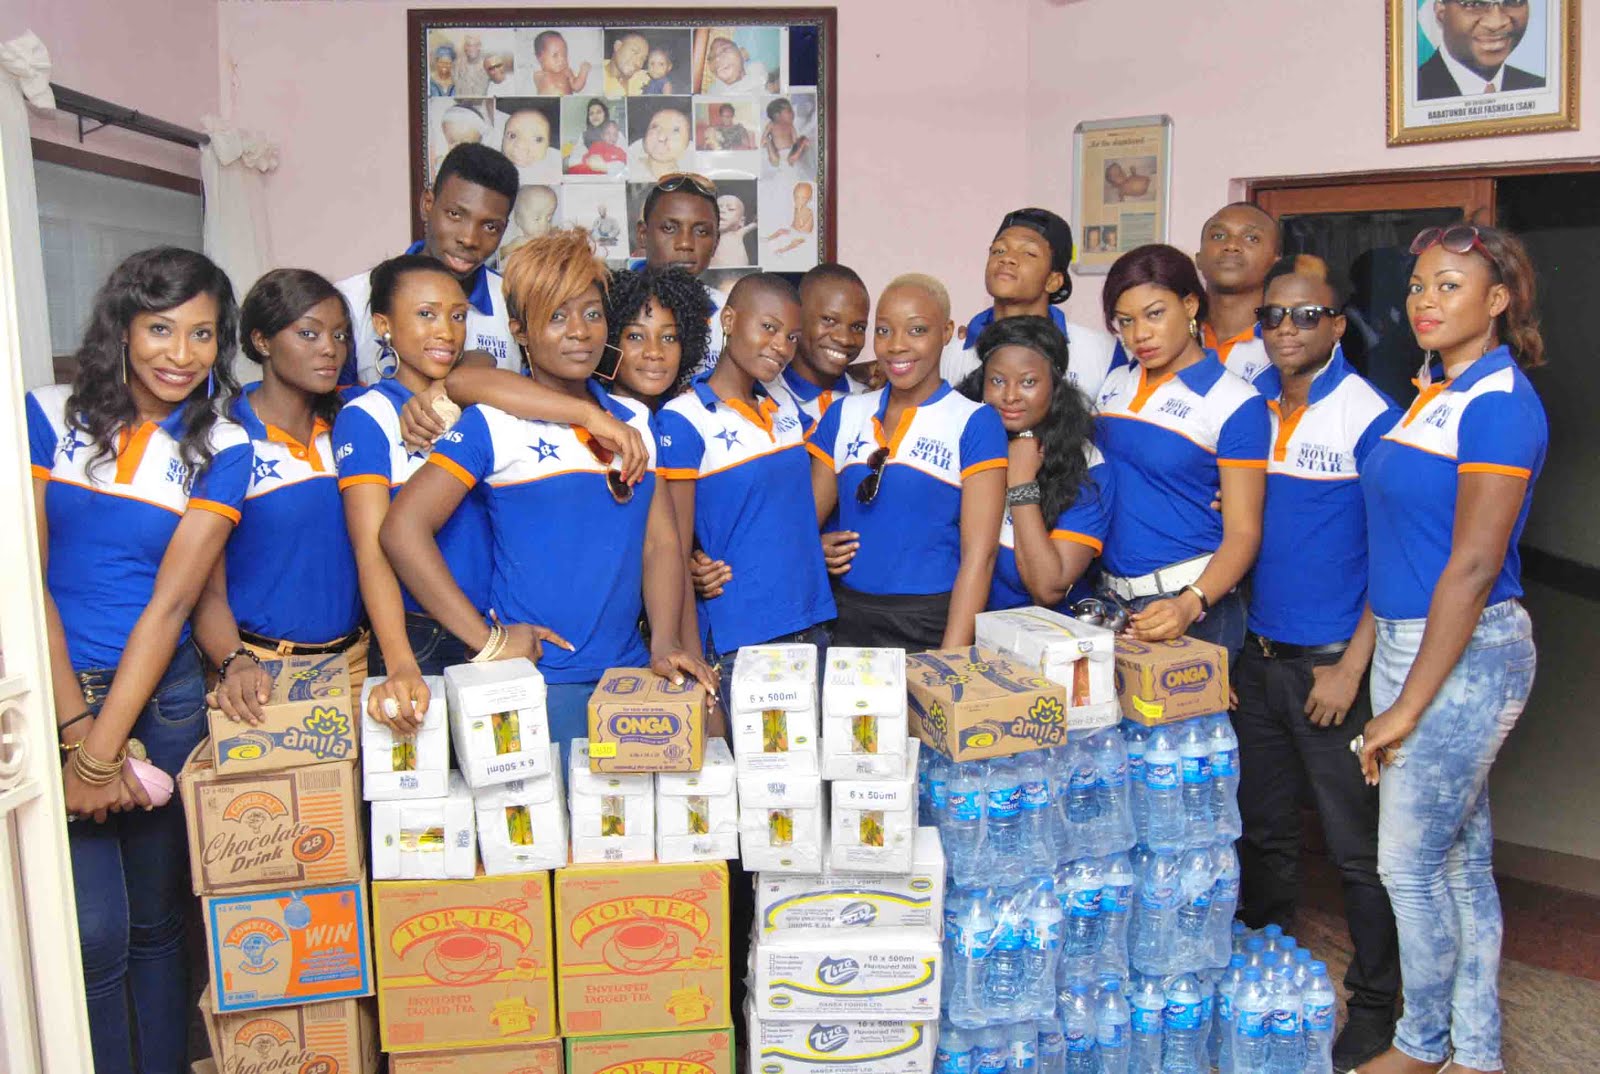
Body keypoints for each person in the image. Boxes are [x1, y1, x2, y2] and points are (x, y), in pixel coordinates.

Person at [27, 247, 252, 1074]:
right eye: (160, 328)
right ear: (122, 326)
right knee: (91, 935)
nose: (180, 354)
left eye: (202, 334)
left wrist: (101, 749)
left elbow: (171, 606)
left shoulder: (223, 444)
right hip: (55, 693)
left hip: (162, 700)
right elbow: (27, 584)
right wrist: (77, 734)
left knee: (160, 926)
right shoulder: (43, 414)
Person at [380, 229, 715, 748]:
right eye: (557, 317)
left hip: (628, 675)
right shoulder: (493, 422)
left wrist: (666, 641)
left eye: (592, 313)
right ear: (519, 330)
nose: (579, 331)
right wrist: (487, 641)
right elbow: (402, 530)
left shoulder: (633, 420)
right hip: (535, 682)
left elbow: (660, 542)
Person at [1355, 225, 1547, 1074]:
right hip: (1414, 640)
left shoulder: (1499, 403)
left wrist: (1404, 706)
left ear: (1497, 301)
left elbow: (1471, 567)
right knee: (1459, 862)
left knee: (1407, 866)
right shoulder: (1438, 391)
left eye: (1450, 287)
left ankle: (1420, 1044)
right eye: (1418, 286)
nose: (1425, 302)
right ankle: (1475, 1053)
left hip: (1466, 652)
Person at [1232, 259, 1402, 1072]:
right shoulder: (1251, 408)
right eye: (1273, 316)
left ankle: (1376, 1006)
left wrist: (1350, 669)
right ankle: (1261, 977)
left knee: (1355, 849)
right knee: (1262, 831)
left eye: (1307, 315)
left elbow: (1395, 556)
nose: (1286, 329)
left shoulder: (1369, 415)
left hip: (1331, 668)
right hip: (1257, 660)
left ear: (1338, 325)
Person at [201, 271, 370, 726]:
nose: (330, 349)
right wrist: (232, 661)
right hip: (260, 672)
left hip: (358, 662)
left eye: (340, 335)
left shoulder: (355, 422)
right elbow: (200, 584)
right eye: (309, 333)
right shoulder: (223, 435)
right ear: (262, 340)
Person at [332, 254, 491, 734]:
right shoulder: (369, 415)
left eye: (457, 315)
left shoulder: (477, 401)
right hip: (421, 635)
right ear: (384, 326)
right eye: (426, 314)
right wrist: (400, 660)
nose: (446, 331)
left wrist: (447, 387)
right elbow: (371, 548)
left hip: (491, 622)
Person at [807, 274, 1007, 651]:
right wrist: (813, 546)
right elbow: (801, 523)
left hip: (930, 623)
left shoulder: (974, 422)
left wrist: (950, 657)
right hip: (847, 619)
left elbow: (980, 557)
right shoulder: (844, 414)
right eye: (884, 330)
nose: (897, 345)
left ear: (946, 332)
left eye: (917, 330)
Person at [658, 273, 834, 698]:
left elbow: (794, 498)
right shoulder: (684, 419)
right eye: (768, 327)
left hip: (811, 622)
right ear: (730, 320)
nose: (781, 346)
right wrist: (694, 662)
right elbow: (674, 550)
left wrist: (810, 539)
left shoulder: (784, 405)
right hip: (740, 637)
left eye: (792, 337)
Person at [1095, 244, 1269, 663]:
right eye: (1125, 321)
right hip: (1110, 600)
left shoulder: (1234, 401)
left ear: (1190, 305)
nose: (1140, 334)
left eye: (1155, 314)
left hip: (1188, 604)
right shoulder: (1116, 382)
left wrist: (1191, 603)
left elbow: (1244, 533)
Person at [957, 316, 1112, 611]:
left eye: (1028, 382)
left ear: (1055, 386)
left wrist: (1022, 483)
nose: (1010, 396)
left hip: (1039, 631)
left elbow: (1048, 589)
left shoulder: (1087, 465)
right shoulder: (961, 437)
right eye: (997, 381)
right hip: (952, 623)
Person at [338, 143, 520, 384]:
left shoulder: (516, 301)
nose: (469, 239)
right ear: (427, 204)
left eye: (490, 227)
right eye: (455, 214)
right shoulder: (353, 299)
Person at [941, 207, 1118, 404]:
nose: (1007, 258)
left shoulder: (1101, 351)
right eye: (998, 250)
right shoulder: (951, 352)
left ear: (1053, 281)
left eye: (1029, 253)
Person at [632, 173, 727, 376]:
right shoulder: (609, 305)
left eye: (701, 232)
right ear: (643, 235)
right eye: (669, 228)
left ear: (716, 243)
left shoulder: (729, 315)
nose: (685, 243)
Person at [764, 262, 872, 423]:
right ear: (797, 318)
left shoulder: (869, 401)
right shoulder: (763, 397)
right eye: (829, 320)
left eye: (858, 327)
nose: (845, 339)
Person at [1194, 201, 1279, 383]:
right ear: (1199, 259)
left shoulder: (1287, 342)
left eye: (1251, 238)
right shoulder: (1173, 336)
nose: (1231, 245)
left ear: (1274, 264)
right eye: (1218, 236)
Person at [1418, 0, 1543, 100]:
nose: (1496, 23)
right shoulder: (1413, 93)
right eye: (1474, 4)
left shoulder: (1540, 89)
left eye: (1513, 1)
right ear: (1441, 12)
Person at [629, 104, 694, 181]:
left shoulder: (694, 173)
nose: (661, 137)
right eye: (655, 127)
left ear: (687, 144)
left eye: (675, 130)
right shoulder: (630, 169)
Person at [501, 107, 560, 184]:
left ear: (548, 145)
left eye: (537, 139)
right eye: (512, 136)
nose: (520, 145)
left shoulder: (554, 167)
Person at [500, 184, 558, 260]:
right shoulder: (517, 242)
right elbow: (498, 255)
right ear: (518, 219)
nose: (544, 225)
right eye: (537, 219)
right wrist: (508, 249)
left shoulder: (548, 237)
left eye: (549, 219)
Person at [704, 36, 771, 95]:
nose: (716, 59)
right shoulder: (713, 93)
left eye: (724, 50)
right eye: (711, 58)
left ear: (742, 53)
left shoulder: (759, 71)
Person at [532, 29, 591, 95]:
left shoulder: (567, 72)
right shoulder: (539, 75)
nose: (562, 59)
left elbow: (576, 87)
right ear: (540, 58)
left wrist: (583, 71)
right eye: (555, 55)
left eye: (564, 55)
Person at [762, 98, 812, 175]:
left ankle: (792, 158)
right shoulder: (771, 125)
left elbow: (795, 140)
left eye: (792, 111)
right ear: (777, 115)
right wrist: (766, 141)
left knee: (802, 139)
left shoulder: (790, 126)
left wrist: (800, 142)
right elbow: (764, 137)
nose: (793, 113)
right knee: (769, 143)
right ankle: (777, 160)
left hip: (790, 151)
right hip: (777, 152)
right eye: (789, 111)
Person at [764, 183, 815, 256]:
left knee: (795, 243)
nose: (799, 200)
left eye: (803, 198)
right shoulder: (796, 208)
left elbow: (800, 224)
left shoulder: (808, 211)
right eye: (797, 197)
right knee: (780, 230)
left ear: (810, 198)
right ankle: (768, 239)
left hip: (804, 235)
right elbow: (794, 223)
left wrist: (799, 211)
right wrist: (789, 230)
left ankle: (781, 251)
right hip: (795, 231)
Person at [708, 194, 757, 269]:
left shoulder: (737, 235)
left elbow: (756, 223)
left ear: (741, 221)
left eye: (730, 209)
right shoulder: (709, 237)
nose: (722, 211)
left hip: (738, 272)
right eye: (717, 209)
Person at [604, 32, 650, 96]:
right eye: (635, 52)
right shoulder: (593, 76)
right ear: (618, 46)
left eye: (643, 59)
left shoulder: (645, 78)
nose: (638, 63)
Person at [454, 33, 489, 98]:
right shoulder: (457, 65)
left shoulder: (487, 64)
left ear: (479, 47)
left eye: (475, 45)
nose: (471, 49)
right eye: (469, 45)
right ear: (465, 47)